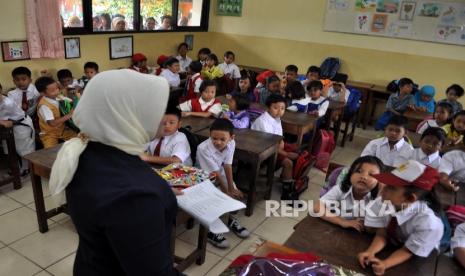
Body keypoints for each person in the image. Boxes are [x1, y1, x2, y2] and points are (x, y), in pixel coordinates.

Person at [48, 69, 181, 275]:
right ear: (127, 114)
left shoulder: (84, 150)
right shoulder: (136, 196)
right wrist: (151, 199)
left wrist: (158, 194)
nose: (162, 117)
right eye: (155, 108)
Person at [358, 160, 443, 275]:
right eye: (386, 185)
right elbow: (383, 233)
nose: (383, 189)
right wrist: (370, 252)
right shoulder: (385, 202)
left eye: (391, 188)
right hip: (397, 239)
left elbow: (408, 250)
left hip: (423, 249)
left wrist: (385, 264)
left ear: (409, 199)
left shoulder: (429, 224)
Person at [196, 119, 250, 248]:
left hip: (219, 172)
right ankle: (212, 231)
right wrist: (226, 192)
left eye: (222, 139)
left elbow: (227, 165)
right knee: (214, 200)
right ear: (210, 135)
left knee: (235, 193)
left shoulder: (232, 143)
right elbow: (215, 173)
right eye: (214, 138)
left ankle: (232, 220)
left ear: (231, 138)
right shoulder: (203, 148)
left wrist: (231, 188)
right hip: (203, 177)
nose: (218, 142)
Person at [314, 156, 384, 231]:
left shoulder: (379, 197)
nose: (364, 177)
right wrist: (343, 222)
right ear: (350, 174)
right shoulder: (342, 188)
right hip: (334, 228)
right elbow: (317, 207)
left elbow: (376, 228)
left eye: (371, 175)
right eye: (359, 171)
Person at [252, 94, 298, 200]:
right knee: (288, 162)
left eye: (282, 108)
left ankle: (287, 177)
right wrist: (285, 153)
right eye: (275, 108)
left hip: (274, 147)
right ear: (268, 107)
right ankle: (287, 192)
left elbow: (278, 136)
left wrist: (282, 142)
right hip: (263, 151)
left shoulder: (276, 118)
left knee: (298, 149)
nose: (279, 111)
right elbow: (268, 146)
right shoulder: (263, 122)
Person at [0, 83, 35, 176]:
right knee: (9, 149)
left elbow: (8, 122)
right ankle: (17, 169)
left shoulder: (7, 103)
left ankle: (27, 168)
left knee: (24, 150)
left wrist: (2, 122)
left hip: (20, 125)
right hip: (7, 129)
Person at [35, 77, 77, 148]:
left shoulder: (59, 97)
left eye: (57, 88)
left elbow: (71, 102)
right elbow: (52, 123)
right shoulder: (44, 106)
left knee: (79, 141)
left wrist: (75, 98)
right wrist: (69, 115)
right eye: (53, 90)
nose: (57, 91)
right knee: (51, 151)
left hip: (63, 129)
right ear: (43, 93)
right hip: (50, 133)